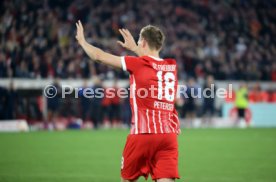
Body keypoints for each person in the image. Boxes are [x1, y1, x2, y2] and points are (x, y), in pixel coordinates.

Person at [75, 20, 180, 182]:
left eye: (139, 41)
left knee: (127, 180)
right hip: (168, 136)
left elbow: (98, 56)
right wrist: (136, 49)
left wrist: (82, 41)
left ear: (143, 42)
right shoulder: (171, 67)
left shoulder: (137, 63)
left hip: (142, 135)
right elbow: (151, 62)